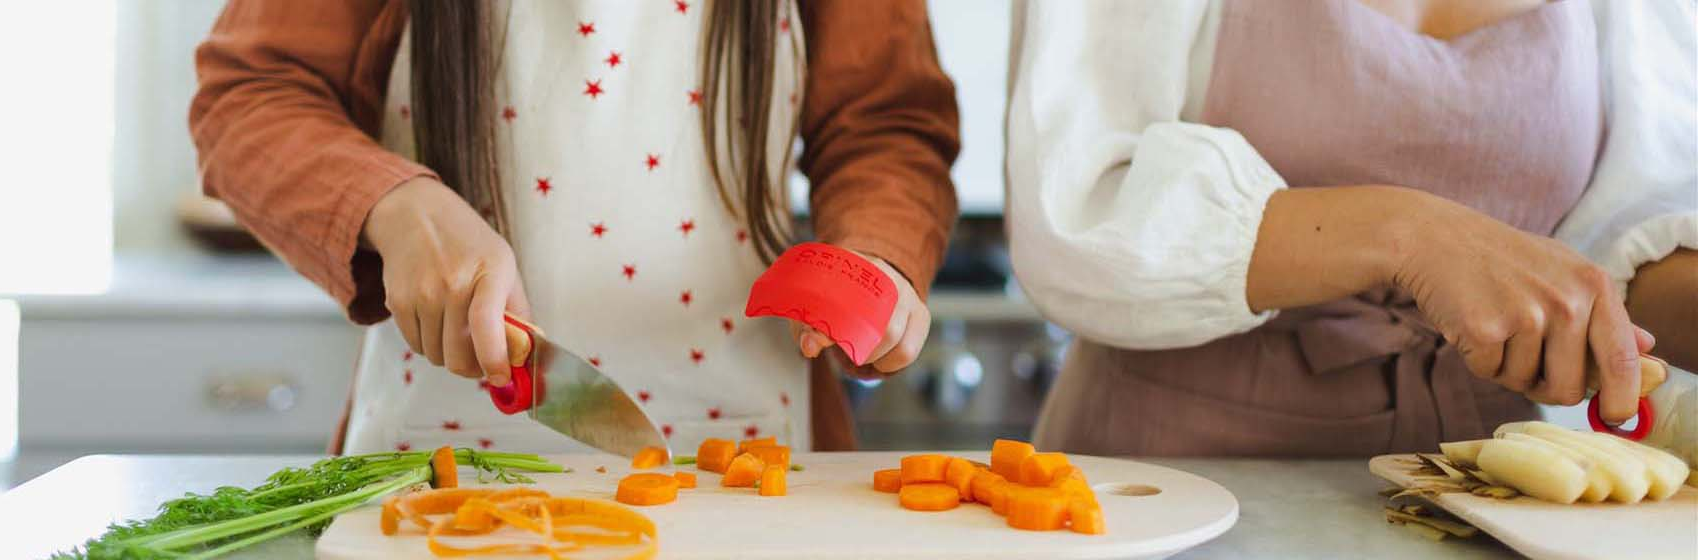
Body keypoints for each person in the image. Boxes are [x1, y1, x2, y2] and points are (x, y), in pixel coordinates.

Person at [191, 0, 959, 454]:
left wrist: (871, 261)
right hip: (435, 456)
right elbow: (251, 95)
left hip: (750, 453)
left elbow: (885, 121)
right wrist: (396, 206)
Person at [1007, 0, 1697, 456]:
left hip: (1488, 494)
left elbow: (1640, 220)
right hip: (1170, 488)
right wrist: (1409, 233)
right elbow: (1073, 214)